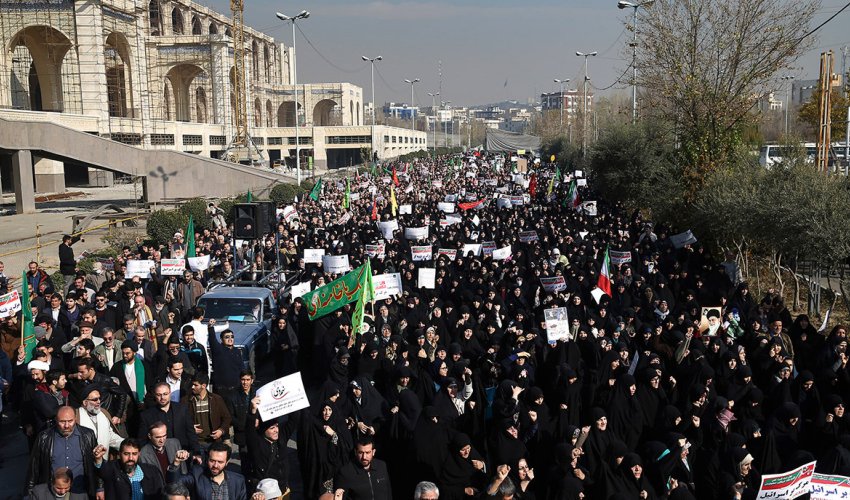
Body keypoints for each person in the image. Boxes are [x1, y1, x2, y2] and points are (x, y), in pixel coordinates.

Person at [25, 406, 99, 497]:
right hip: (52, 494)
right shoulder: (44, 438)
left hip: (80, 492)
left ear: (75, 419)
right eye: (62, 421)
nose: (66, 426)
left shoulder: (88, 435)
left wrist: (100, 488)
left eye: (70, 421)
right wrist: (28, 495)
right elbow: (34, 469)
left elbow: (97, 464)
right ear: (56, 420)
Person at [244, 396, 294, 493]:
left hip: (283, 489)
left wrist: (291, 400)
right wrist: (253, 411)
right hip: (266, 493)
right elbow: (249, 430)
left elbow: (293, 420)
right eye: (272, 428)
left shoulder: (281, 439)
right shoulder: (256, 444)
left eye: (277, 426)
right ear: (264, 430)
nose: (276, 430)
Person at [137, 382, 201, 458]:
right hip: (159, 457)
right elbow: (142, 440)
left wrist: (196, 453)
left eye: (165, 394)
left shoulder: (182, 409)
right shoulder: (147, 415)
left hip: (183, 454)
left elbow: (191, 433)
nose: (162, 397)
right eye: (159, 395)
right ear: (154, 395)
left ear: (170, 393)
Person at [167, 441, 248, 500]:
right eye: (212, 461)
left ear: (227, 462)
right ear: (207, 459)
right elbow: (173, 484)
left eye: (220, 462)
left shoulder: (238, 481)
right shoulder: (197, 474)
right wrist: (176, 462)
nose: (215, 465)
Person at [93, 438, 165, 499]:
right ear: (120, 454)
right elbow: (102, 470)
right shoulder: (113, 468)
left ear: (139, 454)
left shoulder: (151, 471)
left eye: (134, 454)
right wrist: (98, 459)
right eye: (126, 454)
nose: (130, 458)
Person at [185, 371, 232, 448]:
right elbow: (181, 420)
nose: (192, 387)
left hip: (214, 442)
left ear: (203, 386)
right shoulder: (186, 400)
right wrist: (190, 428)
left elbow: (227, 418)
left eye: (195, 385)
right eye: (192, 384)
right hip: (195, 442)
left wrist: (221, 430)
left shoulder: (216, 399)